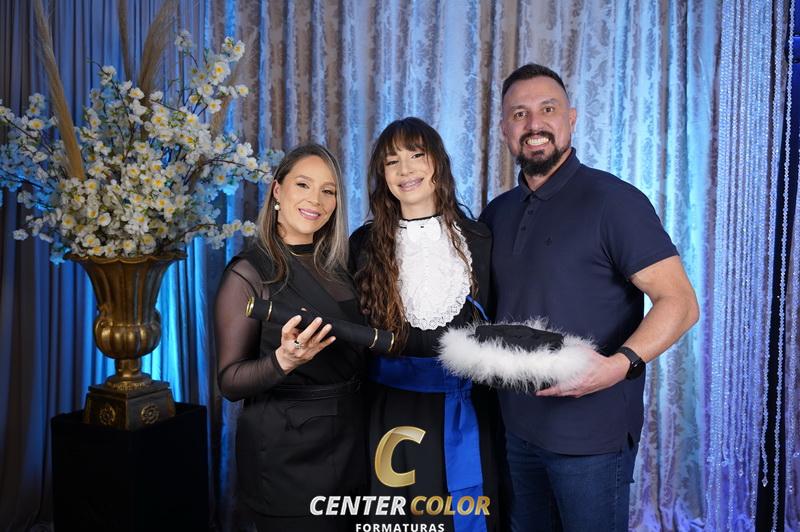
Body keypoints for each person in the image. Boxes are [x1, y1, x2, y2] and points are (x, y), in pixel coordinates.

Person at [480, 63, 700, 532]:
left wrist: (619, 366)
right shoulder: (497, 213)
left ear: (572, 118)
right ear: (504, 130)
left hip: (591, 438)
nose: (534, 124)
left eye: (548, 109)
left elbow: (680, 302)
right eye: (519, 114)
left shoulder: (614, 201)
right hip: (515, 430)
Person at [350, 117, 500, 532]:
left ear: (437, 163)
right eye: (391, 161)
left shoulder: (479, 239)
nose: (405, 170)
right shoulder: (363, 244)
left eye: (417, 155)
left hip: (463, 407)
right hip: (387, 409)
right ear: (382, 176)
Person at [214, 144, 366, 532]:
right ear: (277, 190)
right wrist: (282, 361)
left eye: (328, 190)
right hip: (286, 453)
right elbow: (229, 382)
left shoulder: (341, 266)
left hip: (351, 441)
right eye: (303, 184)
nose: (316, 200)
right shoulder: (248, 273)